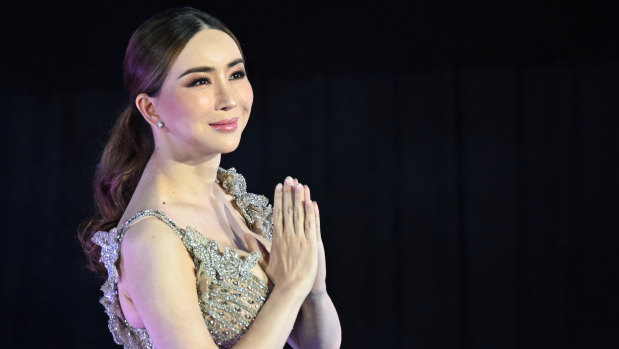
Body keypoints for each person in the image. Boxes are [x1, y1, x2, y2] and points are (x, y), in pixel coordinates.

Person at [78, 7, 341, 349]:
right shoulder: (151, 237)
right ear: (150, 109)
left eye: (236, 74)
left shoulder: (235, 202)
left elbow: (317, 345)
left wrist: (313, 289)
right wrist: (290, 290)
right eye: (200, 81)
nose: (229, 98)